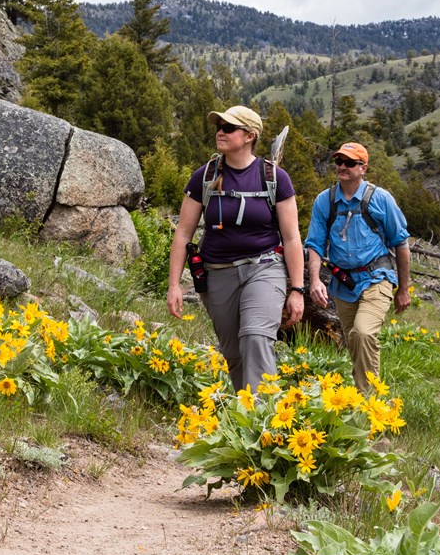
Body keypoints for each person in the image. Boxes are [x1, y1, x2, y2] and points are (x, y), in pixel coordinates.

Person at [167, 105, 305, 391]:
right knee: (234, 353)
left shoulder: (275, 178)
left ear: (249, 136)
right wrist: (174, 285)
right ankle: (246, 419)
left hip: (264, 268)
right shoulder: (204, 177)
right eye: (219, 126)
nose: (220, 131)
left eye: (229, 128)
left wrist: (297, 290)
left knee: (255, 337)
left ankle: (265, 421)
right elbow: (183, 234)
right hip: (217, 274)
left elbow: (292, 238)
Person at [304, 141, 411, 391]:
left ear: (363, 168)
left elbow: (401, 244)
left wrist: (403, 289)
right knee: (354, 343)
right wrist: (316, 280)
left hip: (377, 277)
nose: (342, 166)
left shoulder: (380, 199)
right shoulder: (325, 201)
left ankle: (370, 408)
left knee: (363, 333)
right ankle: (361, 403)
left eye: (350, 163)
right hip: (343, 284)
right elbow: (315, 245)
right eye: (339, 161)